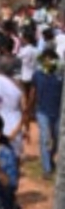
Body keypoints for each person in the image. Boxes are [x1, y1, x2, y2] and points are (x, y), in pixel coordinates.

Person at [32, 48, 63, 180]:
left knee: (58, 140)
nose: (49, 61)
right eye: (46, 59)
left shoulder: (60, 76)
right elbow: (33, 92)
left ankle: (50, 158)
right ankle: (47, 169)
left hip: (57, 112)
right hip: (42, 111)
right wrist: (28, 110)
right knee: (45, 139)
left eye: (51, 59)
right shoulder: (37, 75)